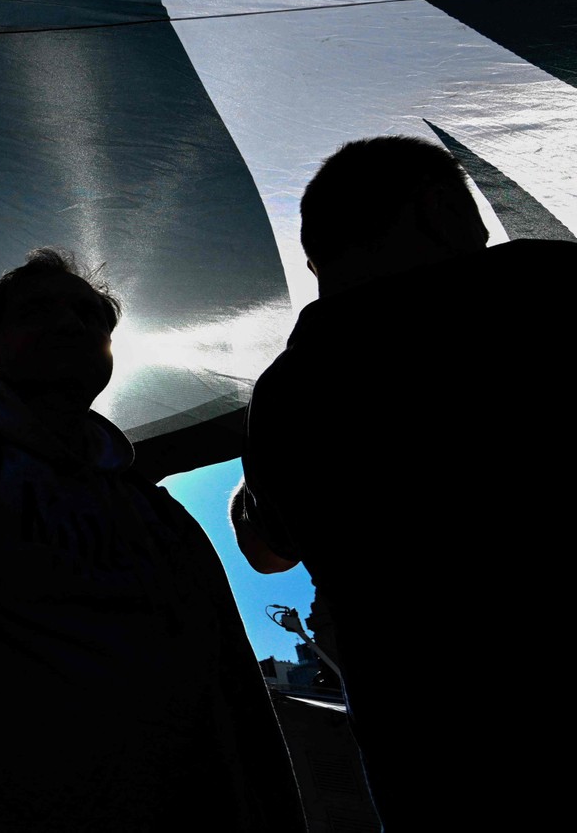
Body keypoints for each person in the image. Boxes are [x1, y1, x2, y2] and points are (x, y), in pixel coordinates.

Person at [0, 249, 301, 832]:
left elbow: (234, 692)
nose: (71, 324)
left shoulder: (160, 512)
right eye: (38, 310)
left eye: (89, 315)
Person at [231, 135, 577, 828]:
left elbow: (268, 549)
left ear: (314, 252)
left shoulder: (291, 392)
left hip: (436, 765)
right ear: (438, 210)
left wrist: (251, 493)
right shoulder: (554, 290)